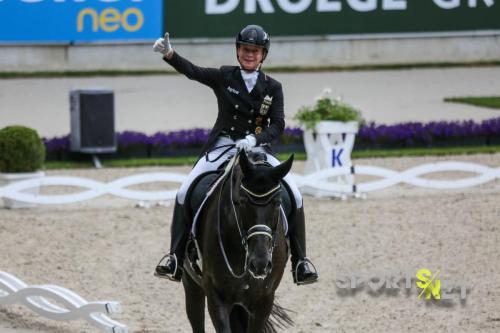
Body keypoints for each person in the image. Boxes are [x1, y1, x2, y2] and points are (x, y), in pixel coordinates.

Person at [153, 25, 318, 285]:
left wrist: (256, 139)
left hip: (257, 148)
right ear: (238, 50)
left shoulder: (273, 87)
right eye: (245, 49)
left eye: (255, 51)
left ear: (263, 54)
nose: (249, 54)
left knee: (294, 195)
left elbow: (278, 124)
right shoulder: (225, 76)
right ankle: (174, 257)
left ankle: (301, 261)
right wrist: (171, 55)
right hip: (223, 145)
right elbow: (194, 72)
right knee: (185, 191)